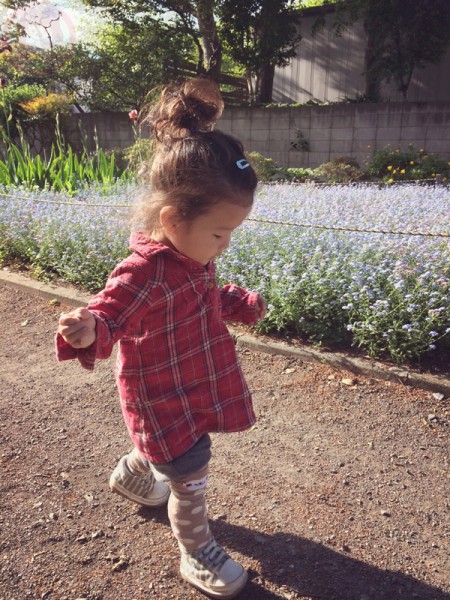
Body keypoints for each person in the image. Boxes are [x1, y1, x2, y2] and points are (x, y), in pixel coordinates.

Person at [56, 77, 266, 599]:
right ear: (172, 219)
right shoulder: (142, 270)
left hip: (190, 379)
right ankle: (196, 552)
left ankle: (134, 471)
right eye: (220, 233)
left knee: (169, 453)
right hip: (161, 394)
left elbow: (203, 295)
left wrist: (237, 303)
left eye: (231, 233)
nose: (224, 244)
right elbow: (110, 316)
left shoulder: (190, 254)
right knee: (190, 469)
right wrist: (87, 331)